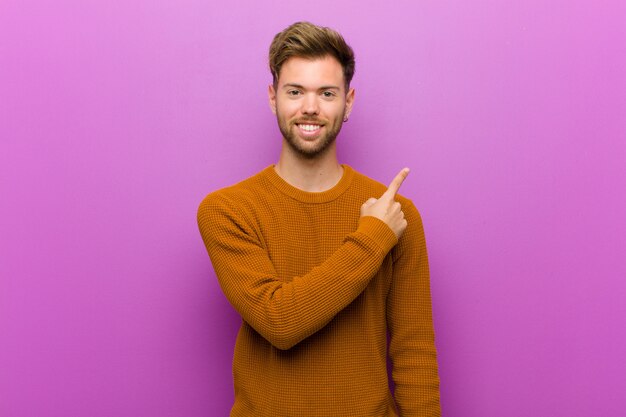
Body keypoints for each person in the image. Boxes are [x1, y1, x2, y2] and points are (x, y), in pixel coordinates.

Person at [197, 21, 441, 416]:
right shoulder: (227, 210)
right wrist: (372, 238)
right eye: (296, 92)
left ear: (348, 102)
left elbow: (414, 353)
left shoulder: (397, 214)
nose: (310, 107)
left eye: (327, 93)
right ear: (273, 98)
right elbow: (280, 322)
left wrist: (382, 229)